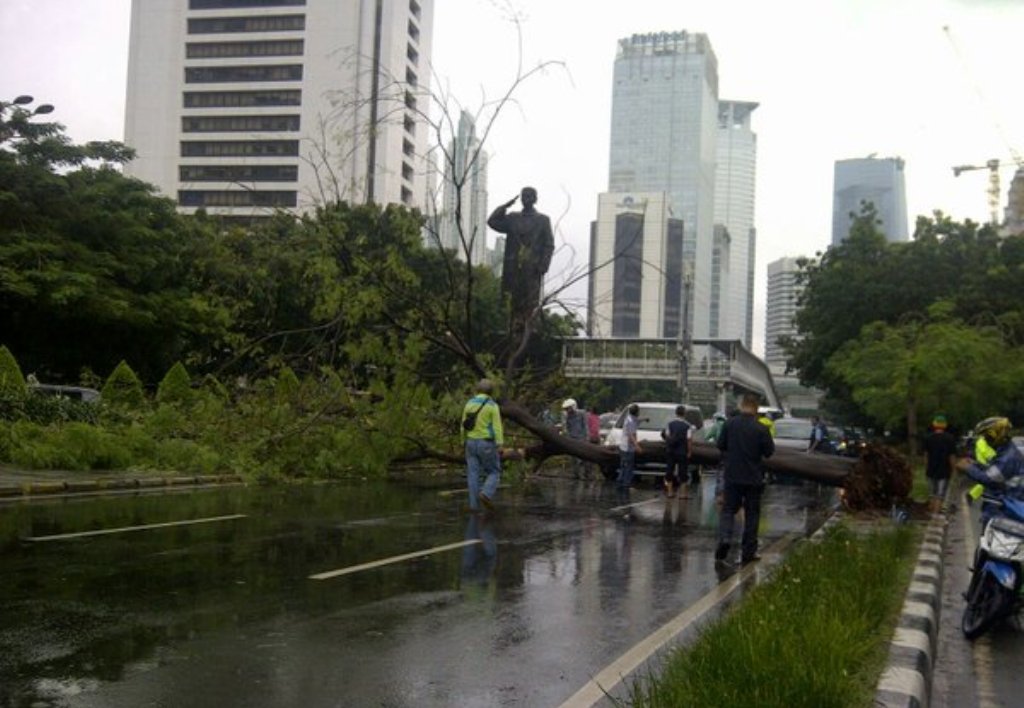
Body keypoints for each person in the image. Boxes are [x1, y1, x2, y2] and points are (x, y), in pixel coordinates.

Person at [715, 393, 775, 564]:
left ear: (742, 407)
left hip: (733, 475)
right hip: (753, 477)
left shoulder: (730, 424)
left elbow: (720, 445)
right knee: (752, 514)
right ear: (756, 409)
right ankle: (749, 551)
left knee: (728, 510)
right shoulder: (761, 429)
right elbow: (769, 452)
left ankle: (725, 539)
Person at [487, 187, 555, 333]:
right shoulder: (512, 218)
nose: (527, 198)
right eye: (524, 196)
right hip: (513, 268)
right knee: (513, 299)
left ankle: (529, 327)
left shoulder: (543, 220)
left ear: (535, 199)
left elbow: (549, 244)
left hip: (532, 269)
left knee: (530, 300)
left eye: (530, 196)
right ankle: (513, 326)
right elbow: (492, 222)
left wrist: (543, 265)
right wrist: (504, 207)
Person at [957, 416, 1024, 526]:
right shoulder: (1004, 451)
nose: (986, 440)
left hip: (1007, 507)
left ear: (996, 435)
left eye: (987, 437)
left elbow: (989, 479)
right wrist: (975, 464)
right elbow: (994, 470)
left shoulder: (1008, 457)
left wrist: (968, 468)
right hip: (1002, 504)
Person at [461, 378, 504, 513]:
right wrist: (500, 444)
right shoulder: (492, 405)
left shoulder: (469, 404)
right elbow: (497, 427)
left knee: (473, 474)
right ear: (491, 391)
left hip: (470, 442)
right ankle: (486, 493)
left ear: (478, 390)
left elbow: (463, 425)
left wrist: (462, 441)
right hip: (486, 443)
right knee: (494, 471)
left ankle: (474, 506)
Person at [923, 414, 957, 514]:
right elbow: (952, 456)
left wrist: (926, 468)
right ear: (945, 425)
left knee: (932, 494)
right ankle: (936, 514)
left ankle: (932, 513)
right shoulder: (950, 439)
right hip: (944, 471)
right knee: (940, 494)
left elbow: (926, 456)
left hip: (931, 470)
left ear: (934, 424)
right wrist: (954, 470)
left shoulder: (928, 438)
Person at [660, 405, 692, 497]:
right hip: (682, 451)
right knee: (683, 472)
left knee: (669, 471)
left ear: (676, 413)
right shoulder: (687, 425)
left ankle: (670, 492)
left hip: (671, 451)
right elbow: (689, 440)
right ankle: (682, 494)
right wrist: (689, 451)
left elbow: (666, 436)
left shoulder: (670, 424)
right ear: (684, 414)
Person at [617, 403, 642, 504]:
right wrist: (637, 446)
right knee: (628, 467)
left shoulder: (629, 418)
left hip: (623, 447)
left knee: (623, 466)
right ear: (636, 412)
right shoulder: (631, 421)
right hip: (628, 448)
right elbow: (631, 436)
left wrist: (645, 420)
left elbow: (637, 420)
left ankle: (620, 483)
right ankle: (625, 486)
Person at [561, 398, 588, 479]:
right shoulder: (567, 416)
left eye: (568, 408)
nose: (567, 410)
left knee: (582, 458)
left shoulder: (581, 413)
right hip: (572, 439)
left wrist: (586, 437)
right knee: (573, 458)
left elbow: (585, 426)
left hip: (581, 438)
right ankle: (576, 474)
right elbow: (565, 427)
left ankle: (583, 474)